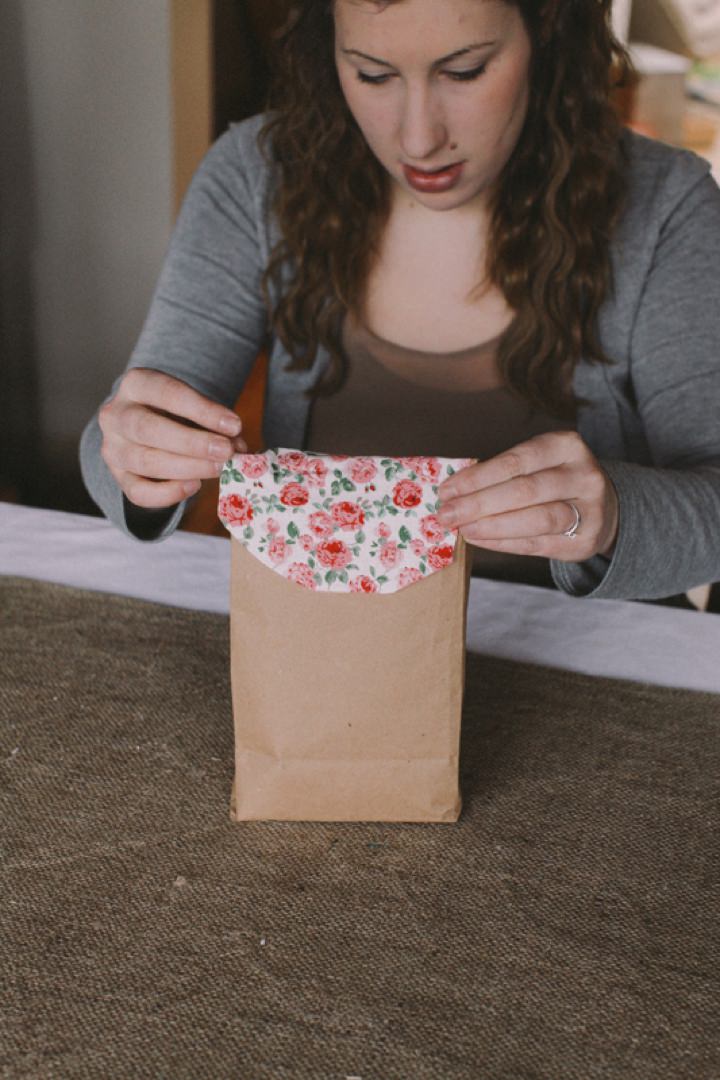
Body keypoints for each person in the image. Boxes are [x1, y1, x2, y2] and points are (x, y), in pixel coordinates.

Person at [80, 0, 720, 601]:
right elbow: (123, 438)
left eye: (464, 71)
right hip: (337, 656)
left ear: (546, 25)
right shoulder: (255, 177)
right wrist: (136, 458)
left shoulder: (667, 206)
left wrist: (612, 517)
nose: (417, 139)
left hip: (602, 677)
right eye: (373, 74)